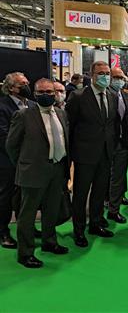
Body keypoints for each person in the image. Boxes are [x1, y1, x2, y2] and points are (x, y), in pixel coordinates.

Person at [6, 78, 69, 268]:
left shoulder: (60, 113)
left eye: (50, 92)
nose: (46, 95)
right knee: (27, 214)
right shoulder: (23, 115)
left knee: (52, 209)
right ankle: (25, 253)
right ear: (34, 94)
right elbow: (11, 145)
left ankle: (50, 242)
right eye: (41, 92)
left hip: (57, 168)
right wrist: (24, 164)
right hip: (33, 171)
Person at [66, 61, 119, 247]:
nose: (105, 76)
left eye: (107, 73)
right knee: (81, 194)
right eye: (101, 73)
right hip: (84, 155)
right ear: (92, 75)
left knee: (99, 192)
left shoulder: (112, 96)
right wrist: (71, 154)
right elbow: (70, 127)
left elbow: (112, 125)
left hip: (105, 153)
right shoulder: (78, 96)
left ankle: (95, 223)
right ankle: (78, 230)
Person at [0, 72, 35, 249]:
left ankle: (27, 226)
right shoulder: (2, 107)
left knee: (26, 196)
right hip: (8, 161)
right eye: (23, 83)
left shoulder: (32, 105)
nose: (27, 86)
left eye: (27, 82)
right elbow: (4, 136)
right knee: (5, 197)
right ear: (12, 87)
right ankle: (3, 231)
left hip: (30, 161)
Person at [106, 68, 128, 224]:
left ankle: (113, 209)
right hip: (105, 144)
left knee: (118, 177)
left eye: (121, 77)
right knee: (103, 177)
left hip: (123, 143)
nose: (119, 80)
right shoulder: (104, 96)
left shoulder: (127, 96)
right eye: (115, 77)